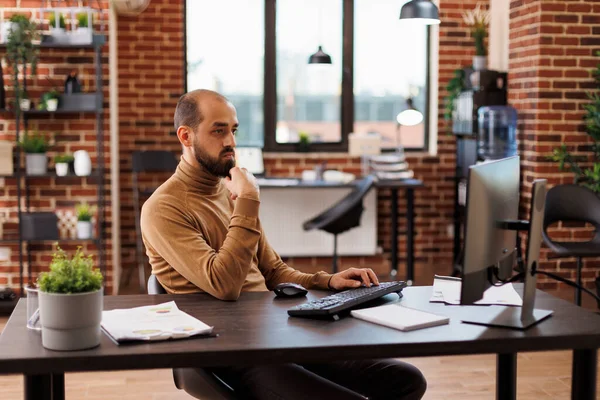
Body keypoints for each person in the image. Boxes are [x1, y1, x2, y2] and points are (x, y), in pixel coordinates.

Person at [141, 89, 427, 400]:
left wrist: (328, 281)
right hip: (228, 351)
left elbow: (273, 270)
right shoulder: (164, 208)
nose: (231, 143)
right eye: (218, 130)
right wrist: (248, 199)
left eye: (233, 130)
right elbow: (224, 284)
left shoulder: (226, 192)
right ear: (186, 136)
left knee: (405, 380)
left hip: (269, 334)